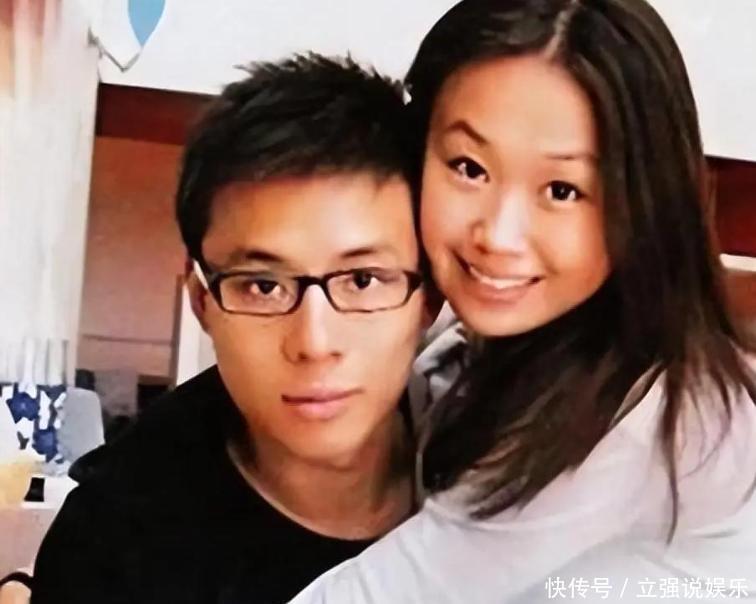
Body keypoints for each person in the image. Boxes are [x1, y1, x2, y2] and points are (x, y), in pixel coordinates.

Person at [289, 1, 756, 602]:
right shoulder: (474, 345)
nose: (499, 236)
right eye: (469, 167)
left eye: (562, 190)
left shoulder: (650, 419)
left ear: (643, 204)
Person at [31, 54, 427, 604]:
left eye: (362, 280)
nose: (314, 343)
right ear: (203, 303)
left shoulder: (502, 467)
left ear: (430, 297)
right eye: (262, 286)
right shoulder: (113, 546)